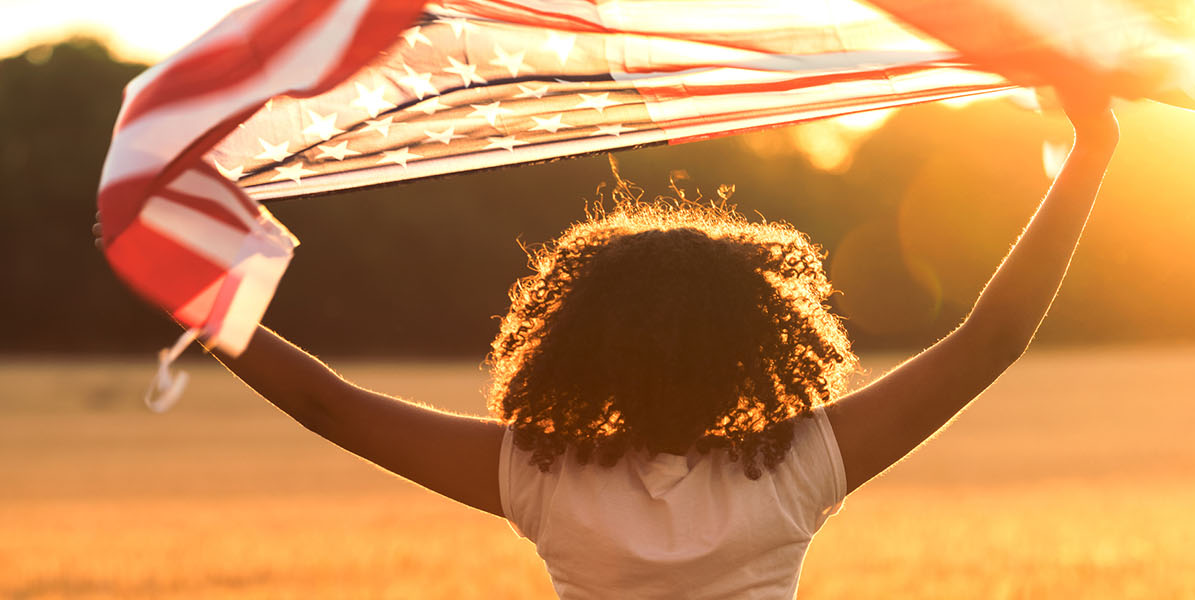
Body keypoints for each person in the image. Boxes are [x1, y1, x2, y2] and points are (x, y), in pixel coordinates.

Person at [96, 89, 1118, 598]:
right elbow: (990, 340)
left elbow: (327, 402)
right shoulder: (800, 467)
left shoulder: (539, 474)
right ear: (757, 347)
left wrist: (186, 281)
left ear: (577, 346)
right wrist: (1089, 155)